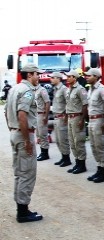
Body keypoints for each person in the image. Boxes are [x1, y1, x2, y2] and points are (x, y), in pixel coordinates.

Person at [5, 63, 44, 223]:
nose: (38, 77)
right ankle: (23, 212)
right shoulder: (27, 91)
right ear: (29, 75)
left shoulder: (14, 89)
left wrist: (12, 129)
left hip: (15, 134)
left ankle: (22, 208)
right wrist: (27, 140)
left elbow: (6, 111)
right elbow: (22, 115)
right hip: (23, 135)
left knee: (19, 173)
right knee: (27, 174)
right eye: (37, 74)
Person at [84, 68, 104, 183]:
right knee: (94, 146)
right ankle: (99, 168)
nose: (86, 77)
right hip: (91, 121)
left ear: (96, 76)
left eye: (89, 75)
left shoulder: (102, 90)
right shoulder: (91, 90)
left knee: (100, 146)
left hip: (99, 120)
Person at [65, 69, 88, 174]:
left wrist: (82, 119)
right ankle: (77, 162)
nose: (67, 78)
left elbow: (85, 105)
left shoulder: (80, 89)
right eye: (67, 76)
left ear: (75, 78)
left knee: (78, 141)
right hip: (70, 117)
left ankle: (82, 164)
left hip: (77, 117)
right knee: (72, 141)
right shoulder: (68, 89)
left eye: (69, 76)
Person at [35, 82, 51, 161]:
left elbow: (47, 102)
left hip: (42, 114)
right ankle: (42, 152)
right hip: (36, 114)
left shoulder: (42, 90)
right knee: (38, 134)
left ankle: (45, 153)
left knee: (43, 134)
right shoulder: (33, 90)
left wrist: (46, 116)